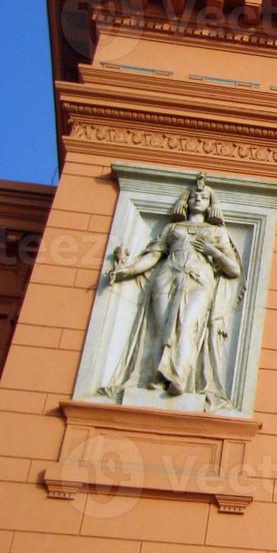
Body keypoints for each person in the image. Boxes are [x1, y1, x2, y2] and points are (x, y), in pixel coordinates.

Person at [102, 174, 243, 410]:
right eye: (195, 195)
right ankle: (156, 378)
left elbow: (234, 270)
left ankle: (178, 377)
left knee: (187, 324)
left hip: (198, 280)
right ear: (186, 201)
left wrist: (213, 252)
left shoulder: (217, 233)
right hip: (167, 277)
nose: (198, 199)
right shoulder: (172, 228)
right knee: (161, 326)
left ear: (211, 204)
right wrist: (127, 271)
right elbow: (153, 256)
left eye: (204, 196)